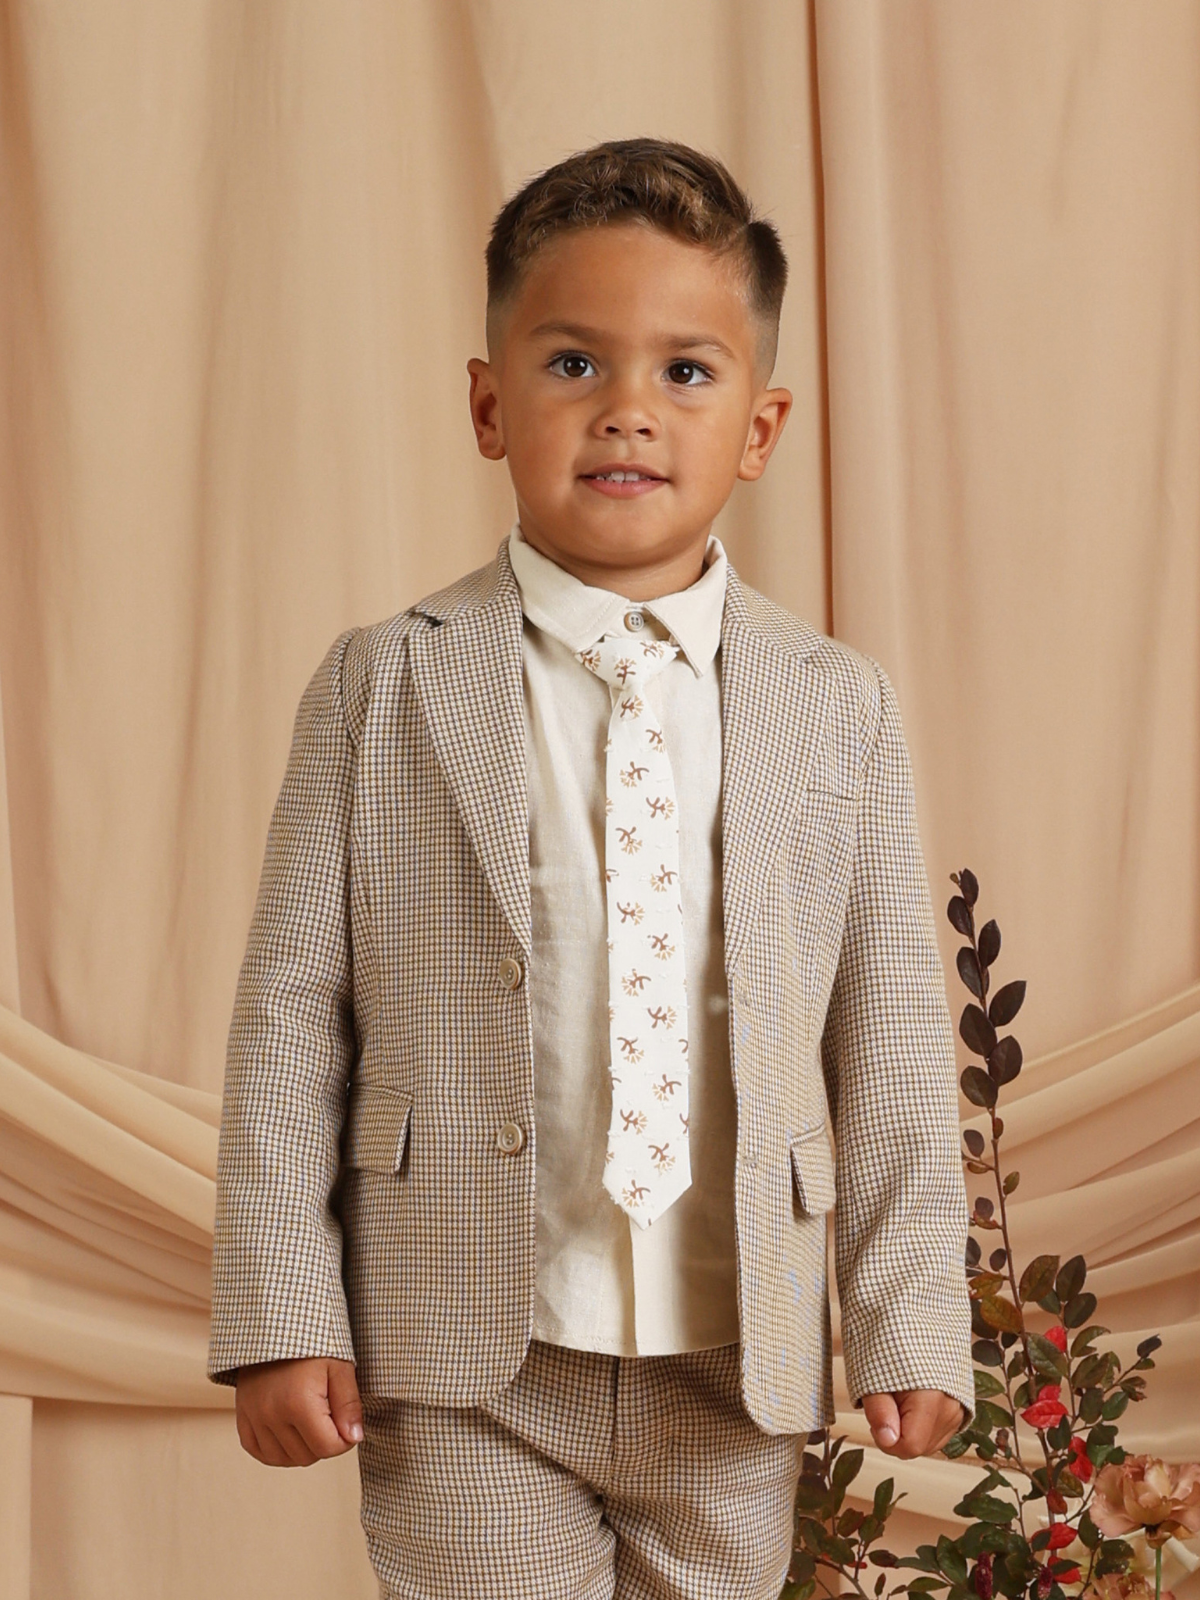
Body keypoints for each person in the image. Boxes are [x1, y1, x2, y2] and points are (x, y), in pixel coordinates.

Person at [208, 137, 973, 1600]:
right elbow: (289, 1015)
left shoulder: (836, 704)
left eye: (686, 372)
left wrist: (909, 1318)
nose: (627, 411)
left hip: (731, 1361)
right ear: (491, 403)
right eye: (572, 365)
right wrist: (282, 1307)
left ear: (760, 425)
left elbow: (883, 1037)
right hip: (464, 1354)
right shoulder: (383, 683)